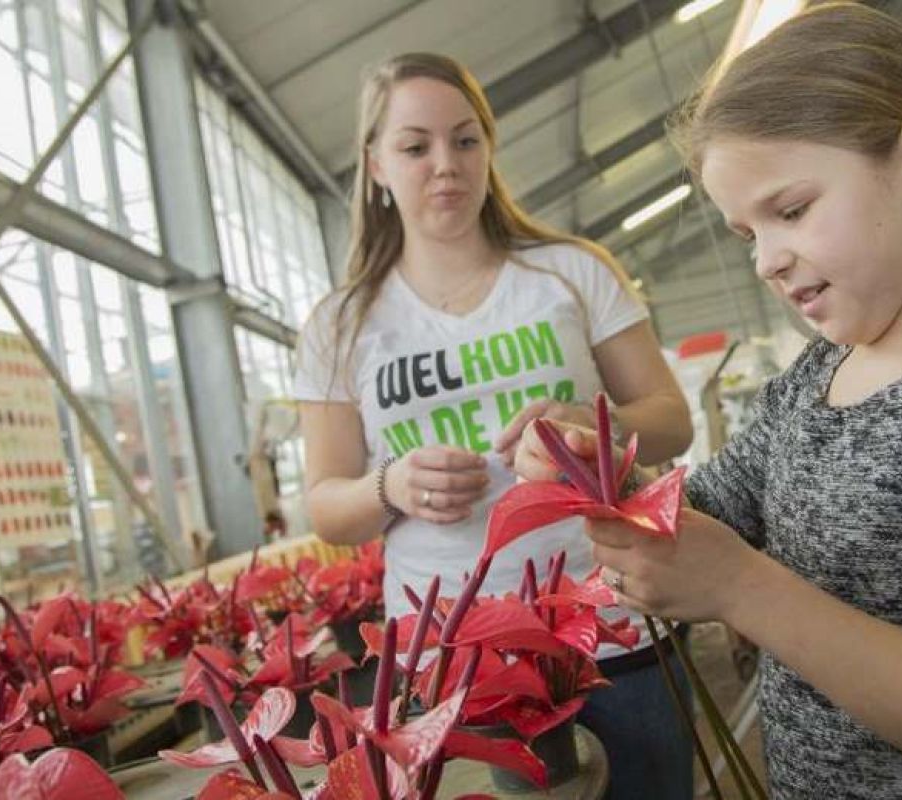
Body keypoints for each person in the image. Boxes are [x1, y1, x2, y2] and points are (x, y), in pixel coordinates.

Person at [512, 4, 902, 798]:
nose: (766, 262)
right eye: (748, 234)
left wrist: (742, 588)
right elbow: (700, 516)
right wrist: (603, 473)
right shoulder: (811, 384)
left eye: (789, 211)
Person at [292, 53, 696, 799]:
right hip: (454, 656)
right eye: (415, 146)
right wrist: (391, 484)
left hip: (612, 629)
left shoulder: (570, 273)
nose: (444, 164)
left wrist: (588, 421)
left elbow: (670, 422)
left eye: (465, 140)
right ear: (376, 164)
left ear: (488, 148)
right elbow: (325, 503)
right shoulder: (341, 325)